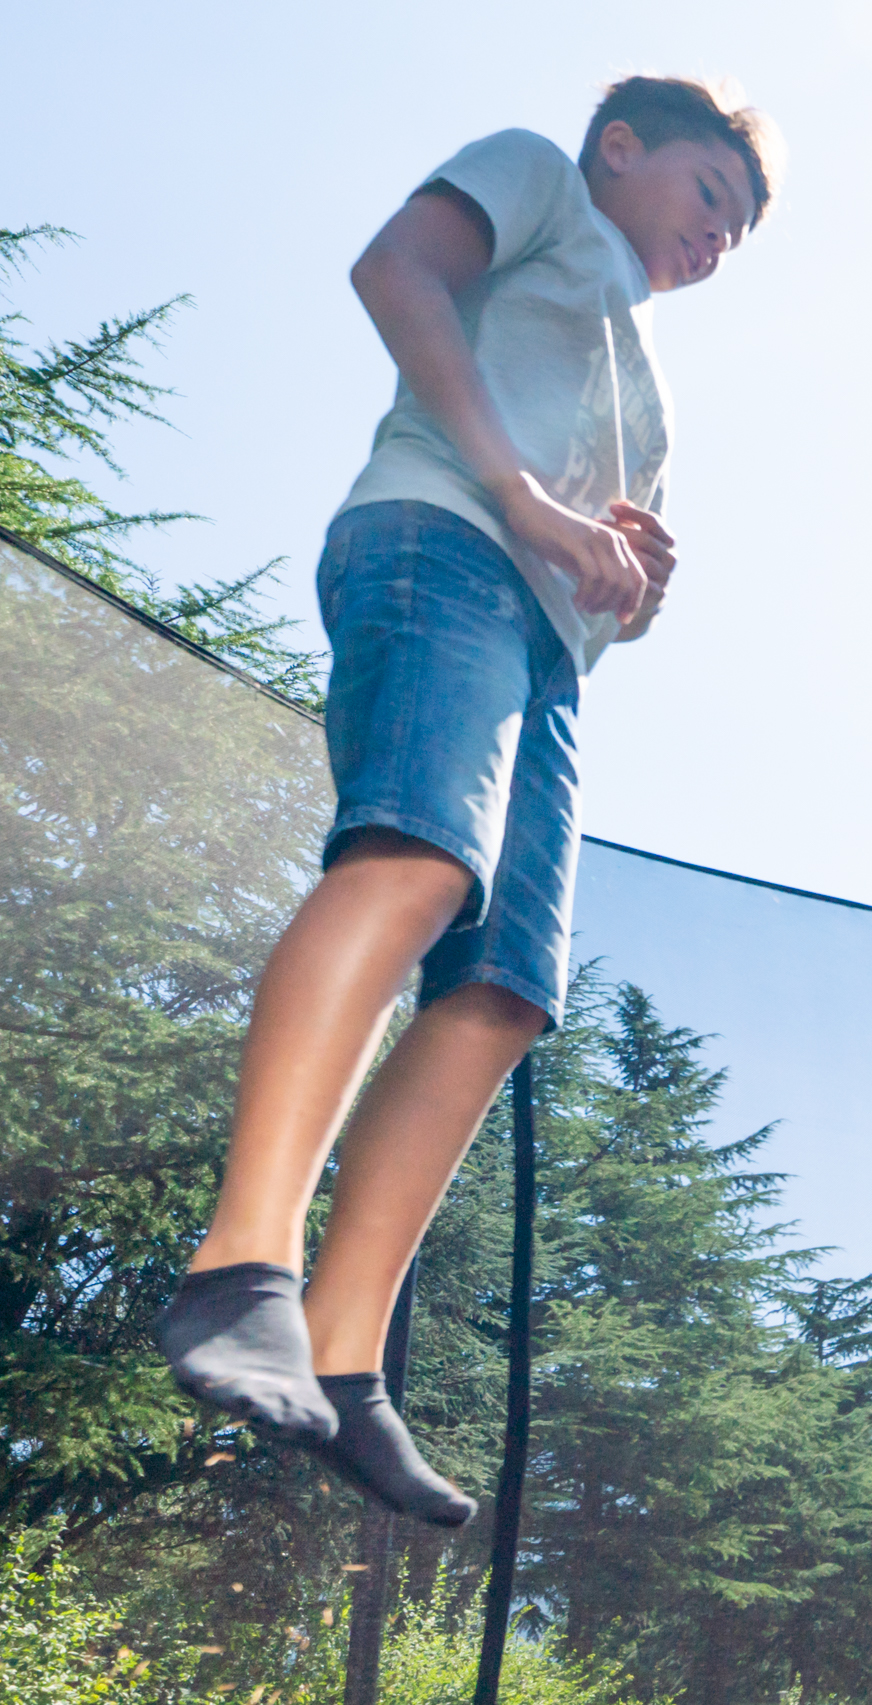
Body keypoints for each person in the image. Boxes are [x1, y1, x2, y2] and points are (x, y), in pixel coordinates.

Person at [154, 78, 776, 1526]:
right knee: (418, 863)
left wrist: (631, 578)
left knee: (504, 992)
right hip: (436, 540)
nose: (720, 241)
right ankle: (240, 1266)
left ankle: (346, 1359)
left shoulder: (648, 378)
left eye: (742, 234)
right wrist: (525, 497)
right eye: (708, 197)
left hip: (550, 656)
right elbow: (397, 268)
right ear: (622, 148)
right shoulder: (537, 183)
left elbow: (595, 566)